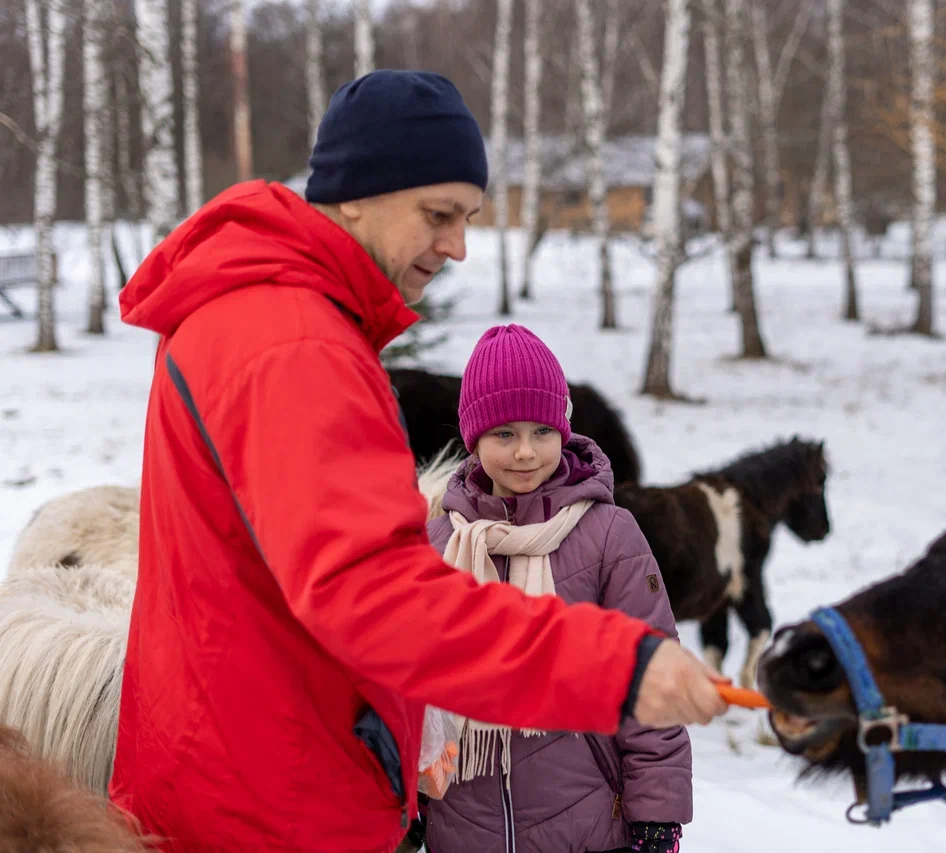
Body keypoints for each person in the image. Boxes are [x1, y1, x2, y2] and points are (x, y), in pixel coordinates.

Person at [110, 69, 726, 853]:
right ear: (356, 193)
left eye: (468, 219)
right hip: (278, 801)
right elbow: (373, 591)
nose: (458, 247)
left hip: (226, 761)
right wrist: (616, 667)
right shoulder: (296, 346)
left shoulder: (244, 309)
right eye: (438, 215)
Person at [422, 324, 691, 853]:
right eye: (504, 434)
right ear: (474, 438)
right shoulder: (439, 544)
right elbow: (411, 690)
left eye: (542, 431)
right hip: (461, 831)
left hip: (587, 827)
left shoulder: (608, 535)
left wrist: (657, 817)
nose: (525, 452)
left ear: (563, 430)